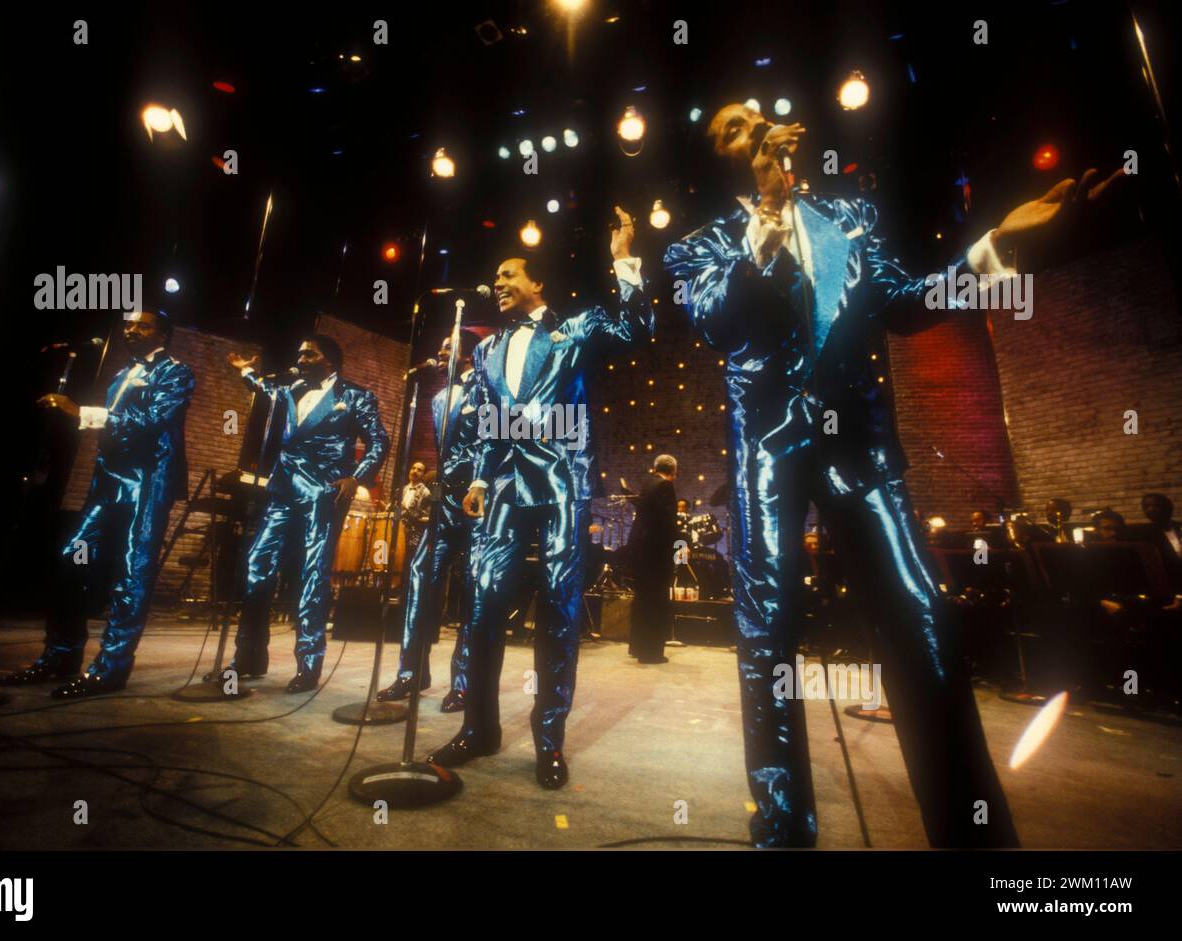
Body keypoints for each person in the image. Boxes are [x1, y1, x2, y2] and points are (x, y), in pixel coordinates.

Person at [663, 100, 1119, 847]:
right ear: (721, 162)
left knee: (922, 620)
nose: (756, 132)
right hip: (768, 452)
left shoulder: (853, 217)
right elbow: (718, 321)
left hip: (863, 449)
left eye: (758, 119)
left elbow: (905, 304)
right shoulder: (701, 246)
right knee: (768, 631)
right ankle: (784, 830)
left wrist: (997, 246)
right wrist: (767, 217)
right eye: (733, 131)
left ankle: (973, 835)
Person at [426, 206, 654, 789]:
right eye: (496, 278)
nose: (498, 285)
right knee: (481, 607)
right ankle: (479, 728)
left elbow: (635, 330)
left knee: (557, 610)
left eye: (508, 275)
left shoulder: (572, 331)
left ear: (537, 284)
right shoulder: (484, 351)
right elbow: (488, 424)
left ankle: (548, 741)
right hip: (503, 489)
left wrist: (623, 260)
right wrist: (478, 479)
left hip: (561, 485)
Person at [2, 310, 193, 698]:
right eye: (128, 324)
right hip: (109, 481)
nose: (131, 330)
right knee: (73, 558)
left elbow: (152, 421)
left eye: (142, 325)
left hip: (147, 481)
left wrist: (79, 412)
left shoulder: (176, 372)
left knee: (131, 572)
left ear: (164, 334)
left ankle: (110, 669)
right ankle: (61, 655)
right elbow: (116, 427)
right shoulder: (123, 373)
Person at [225, 337, 389, 693]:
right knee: (256, 565)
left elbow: (379, 441)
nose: (300, 358)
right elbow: (263, 387)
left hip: (323, 492)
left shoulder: (355, 396)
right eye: (299, 352)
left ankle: (308, 665)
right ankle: (248, 657)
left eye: (308, 353)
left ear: (329, 361)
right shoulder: (290, 388)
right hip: (283, 489)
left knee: (312, 576)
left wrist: (357, 478)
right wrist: (246, 371)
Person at [378, 330, 483, 712]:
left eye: (447, 348)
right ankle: (410, 673)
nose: (439, 354)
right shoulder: (438, 398)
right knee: (420, 579)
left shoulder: (489, 390)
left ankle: (465, 682)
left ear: (470, 355)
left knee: (474, 590)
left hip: (477, 503)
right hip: (442, 503)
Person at [627, 454, 679, 664]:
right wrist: (680, 544)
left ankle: (639, 647)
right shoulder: (665, 486)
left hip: (641, 550)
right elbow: (668, 523)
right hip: (656, 553)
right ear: (673, 470)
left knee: (643, 599)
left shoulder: (647, 485)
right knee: (657, 601)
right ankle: (651, 653)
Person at [400, 461, 432, 554]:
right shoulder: (403, 489)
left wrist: (415, 518)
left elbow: (428, 517)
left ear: (423, 475)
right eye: (413, 468)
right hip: (398, 532)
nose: (414, 471)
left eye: (419, 470)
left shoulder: (426, 493)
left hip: (413, 535)